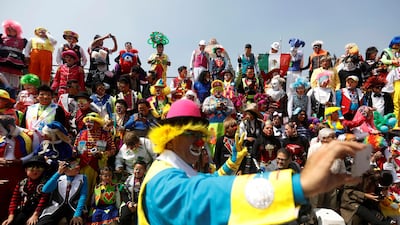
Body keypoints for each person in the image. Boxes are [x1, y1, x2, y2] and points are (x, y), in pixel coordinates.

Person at [137, 98, 368, 225]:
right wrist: (298, 184)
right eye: (193, 135)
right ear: (170, 137)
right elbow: (203, 195)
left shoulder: (176, 169)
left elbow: (209, 180)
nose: (200, 144)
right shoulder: (162, 182)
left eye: (201, 137)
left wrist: (234, 162)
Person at [73, 112, 116, 205]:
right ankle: (82, 208)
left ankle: (92, 209)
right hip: (82, 166)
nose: (88, 124)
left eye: (91, 122)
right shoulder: (81, 134)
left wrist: (103, 154)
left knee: (96, 189)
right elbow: (75, 148)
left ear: (97, 123)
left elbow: (113, 149)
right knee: (82, 188)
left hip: (98, 167)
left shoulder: (105, 134)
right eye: (87, 122)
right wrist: (75, 153)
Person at [0, 115, 33, 221]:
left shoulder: (29, 135)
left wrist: (21, 161)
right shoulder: (1, 136)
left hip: (19, 172)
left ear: (9, 127)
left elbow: (35, 154)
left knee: (17, 200)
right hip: (2, 173)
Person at [37, 158, 87, 225]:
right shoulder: (59, 178)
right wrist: (58, 173)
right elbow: (45, 189)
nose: (77, 167)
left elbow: (83, 196)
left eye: (77, 164)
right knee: (43, 222)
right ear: (65, 168)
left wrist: (77, 215)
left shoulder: (83, 178)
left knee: (76, 222)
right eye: (73, 165)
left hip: (74, 207)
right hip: (57, 206)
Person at [1, 156, 49, 225]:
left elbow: (43, 200)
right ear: (26, 170)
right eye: (31, 168)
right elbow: (14, 199)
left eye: (39, 168)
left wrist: (35, 215)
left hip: (38, 211)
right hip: (23, 210)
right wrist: (11, 216)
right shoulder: (21, 183)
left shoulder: (45, 184)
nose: (35, 171)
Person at [21, 85, 66, 150]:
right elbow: (23, 125)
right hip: (30, 140)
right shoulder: (30, 108)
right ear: (37, 96)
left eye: (48, 95)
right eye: (42, 94)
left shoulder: (57, 109)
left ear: (52, 97)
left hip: (49, 142)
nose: (45, 97)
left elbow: (60, 126)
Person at [202, 80, 234, 155]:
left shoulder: (226, 100)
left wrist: (225, 108)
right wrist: (214, 107)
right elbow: (204, 109)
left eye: (220, 90)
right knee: (212, 141)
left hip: (224, 124)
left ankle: (223, 157)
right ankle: (212, 158)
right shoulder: (208, 99)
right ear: (213, 91)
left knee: (224, 141)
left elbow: (233, 110)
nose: (218, 92)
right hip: (212, 125)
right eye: (216, 90)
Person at [0, 19, 27, 89]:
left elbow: (28, 50)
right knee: (2, 75)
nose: (9, 30)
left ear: (17, 30)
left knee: (14, 77)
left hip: (16, 62)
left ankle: (13, 92)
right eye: (8, 29)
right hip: (4, 60)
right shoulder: (2, 38)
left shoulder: (22, 41)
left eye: (12, 29)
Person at [120, 160, 147, 225]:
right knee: (124, 217)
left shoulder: (147, 181)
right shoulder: (127, 180)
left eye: (140, 169)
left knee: (138, 219)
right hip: (129, 203)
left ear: (145, 171)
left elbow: (148, 195)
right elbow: (123, 193)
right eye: (136, 169)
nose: (137, 171)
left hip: (142, 204)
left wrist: (138, 204)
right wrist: (129, 203)